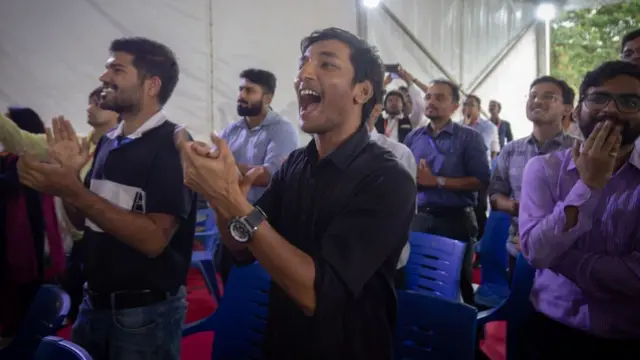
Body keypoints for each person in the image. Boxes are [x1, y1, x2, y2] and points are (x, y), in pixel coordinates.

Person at [176, 27, 415, 359]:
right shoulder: (297, 165)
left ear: (362, 91)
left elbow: (316, 294)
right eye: (303, 63)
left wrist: (231, 198)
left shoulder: (389, 179)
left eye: (326, 64)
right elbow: (242, 247)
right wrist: (220, 196)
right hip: (282, 341)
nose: (303, 73)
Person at [17, 37, 196, 360]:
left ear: (151, 85)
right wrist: (70, 180)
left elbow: (154, 239)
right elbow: (84, 220)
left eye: (117, 69)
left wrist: (73, 190)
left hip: (143, 315)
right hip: (94, 302)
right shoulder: (110, 141)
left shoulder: (173, 144)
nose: (103, 78)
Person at [518, 61, 640, 359]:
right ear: (576, 112)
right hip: (551, 328)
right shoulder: (544, 169)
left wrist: (562, 259)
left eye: (630, 101)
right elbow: (535, 253)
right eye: (598, 98)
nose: (611, 110)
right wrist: (588, 185)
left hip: (629, 335)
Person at [404, 80, 490, 305]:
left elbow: (481, 180)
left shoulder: (470, 138)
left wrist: (437, 181)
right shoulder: (414, 137)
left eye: (439, 98)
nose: (431, 102)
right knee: (418, 281)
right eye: (429, 97)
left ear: (454, 107)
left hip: (455, 220)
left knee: (459, 284)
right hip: (419, 217)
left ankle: (467, 336)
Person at [489, 76, 577, 283]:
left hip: (564, 256)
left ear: (567, 108)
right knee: (519, 312)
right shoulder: (511, 150)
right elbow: (494, 195)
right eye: (533, 96)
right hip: (518, 249)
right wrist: (518, 207)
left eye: (548, 96)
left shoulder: (578, 151)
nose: (537, 101)